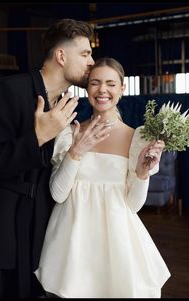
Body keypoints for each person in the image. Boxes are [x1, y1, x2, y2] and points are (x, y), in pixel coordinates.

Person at [0, 18, 94, 298]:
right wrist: (38, 137)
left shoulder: (64, 105)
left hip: (30, 238)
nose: (92, 61)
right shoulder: (7, 90)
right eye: (85, 53)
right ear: (61, 55)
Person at [34, 57, 171, 298]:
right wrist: (76, 151)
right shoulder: (70, 132)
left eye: (110, 83)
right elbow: (58, 193)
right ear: (87, 89)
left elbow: (133, 206)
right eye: (95, 83)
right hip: (73, 244)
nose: (102, 90)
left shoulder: (136, 137)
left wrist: (141, 172)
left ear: (122, 88)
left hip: (118, 243)